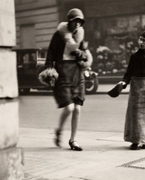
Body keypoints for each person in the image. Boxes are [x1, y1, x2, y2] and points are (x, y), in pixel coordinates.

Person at [45, 8, 92, 151]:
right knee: (69, 107)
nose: (77, 25)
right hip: (63, 74)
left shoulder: (80, 35)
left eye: (80, 22)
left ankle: (73, 140)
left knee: (77, 109)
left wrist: (81, 54)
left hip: (77, 74)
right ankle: (59, 130)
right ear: (69, 21)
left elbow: (86, 54)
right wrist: (49, 71)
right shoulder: (58, 35)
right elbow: (50, 55)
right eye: (75, 21)